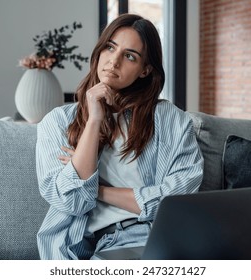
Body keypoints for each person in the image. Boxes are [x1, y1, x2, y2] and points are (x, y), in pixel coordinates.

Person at [35, 13, 203, 260]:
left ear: (145, 70)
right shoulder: (58, 122)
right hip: (101, 243)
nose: (113, 61)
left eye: (129, 56)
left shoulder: (171, 120)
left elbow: (177, 202)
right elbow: (71, 201)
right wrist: (94, 120)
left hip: (161, 237)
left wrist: (99, 189)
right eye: (110, 47)